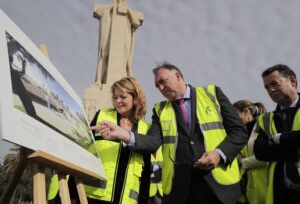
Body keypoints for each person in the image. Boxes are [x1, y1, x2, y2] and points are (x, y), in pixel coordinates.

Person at [98, 63, 248, 204]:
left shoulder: (212, 94)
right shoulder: (160, 110)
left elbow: (239, 132)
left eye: (163, 82)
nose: (161, 88)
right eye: (158, 86)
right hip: (181, 192)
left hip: (219, 187)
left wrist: (219, 154)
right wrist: (124, 134)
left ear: (177, 76)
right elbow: (152, 142)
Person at [48, 77, 151, 204]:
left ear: (135, 98)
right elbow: (82, 155)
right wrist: (72, 195)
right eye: (115, 97)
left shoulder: (145, 130)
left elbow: (146, 174)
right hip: (92, 199)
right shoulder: (101, 117)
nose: (118, 101)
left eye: (123, 97)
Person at [253, 64, 300, 204]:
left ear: (292, 81)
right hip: (280, 193)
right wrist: (293, 148)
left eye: (274, 84)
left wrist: (277, 138)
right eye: (267, 87)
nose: (270, 90)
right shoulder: (265, 119)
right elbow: (260, 152)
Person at [233, 100, 268, 204]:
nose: (232, 119)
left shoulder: (264, 128)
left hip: (264, 188)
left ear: (246, 112)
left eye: (234, 115)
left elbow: (268, 157)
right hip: (249, 191)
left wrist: (243, 162)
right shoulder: (243, 133)